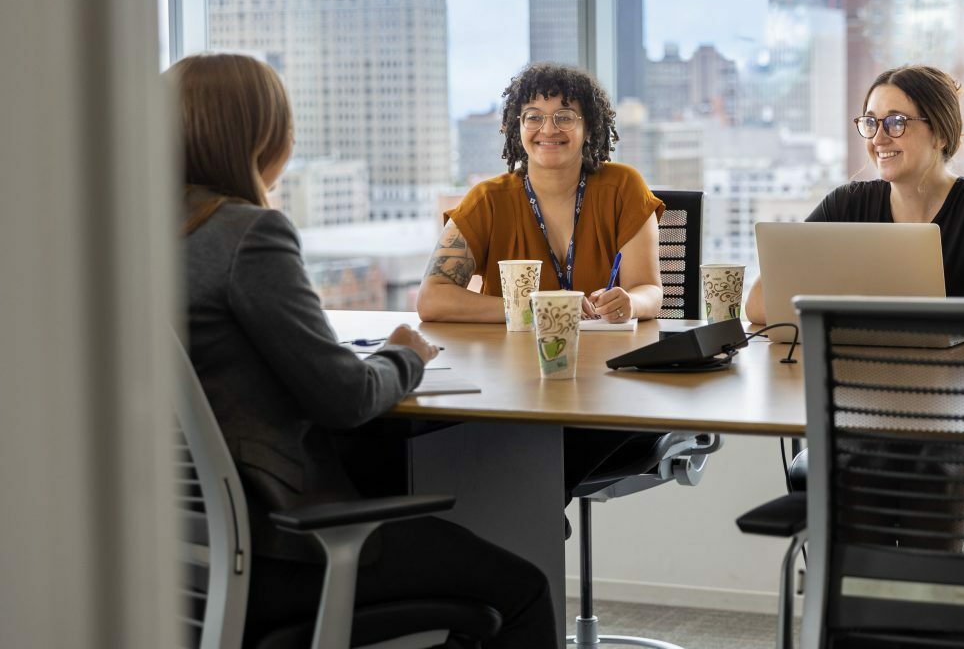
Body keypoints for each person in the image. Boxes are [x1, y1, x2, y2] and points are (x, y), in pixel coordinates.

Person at [175, 53, 557, 648]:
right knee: (523, 591)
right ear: (259, 136)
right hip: (285, 546)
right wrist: (402, 353)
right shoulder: (249, 235)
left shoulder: (130, 237)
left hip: (182, 556)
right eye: (286, 125)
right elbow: (347, 398)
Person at [416, 62, 665, 503]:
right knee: (439, 437)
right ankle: (532, 516)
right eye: (534, 115)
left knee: (530, 458)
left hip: (608, 385)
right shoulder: (488, 200)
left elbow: (650, 290)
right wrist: (536, 310)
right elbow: (432, 299)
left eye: (565, 116)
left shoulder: (623, 186)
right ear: (518, 127)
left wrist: (630, 302)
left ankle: (533, 514)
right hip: (514, 385)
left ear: (589, 127)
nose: (548, 128)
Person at [746, 63, 964, 323]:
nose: (878, 139)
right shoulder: (846, 205)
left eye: (896, 122)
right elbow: (758, 303)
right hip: (865, 371)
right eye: (871, 123)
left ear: (941, 133)